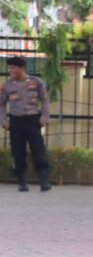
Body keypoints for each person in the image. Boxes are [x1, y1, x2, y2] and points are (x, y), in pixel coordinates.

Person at [1, 55, 50, 191]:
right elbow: (1, 104)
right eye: (9, 68)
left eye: (13, 68)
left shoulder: (36, 82)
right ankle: (22, 181)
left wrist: (44, 117)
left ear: (22, 68)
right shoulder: (7, 86)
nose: (10, 71)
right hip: (16, 121)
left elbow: (45, 100)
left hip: (33, 120)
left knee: (38, 151)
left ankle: (44, 180)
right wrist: (4, 121)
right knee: (18, 152)